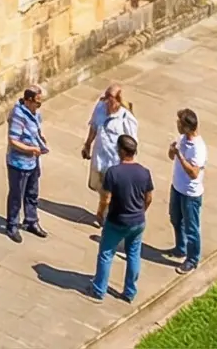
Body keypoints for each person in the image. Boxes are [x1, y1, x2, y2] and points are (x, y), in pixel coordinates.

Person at [90, 133, 153, 302]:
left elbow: (106, 198)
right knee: (133, 254)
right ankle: (130, 292)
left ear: (122, 151)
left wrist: (100, 213)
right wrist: (141, 211)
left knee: (106, 254)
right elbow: (149, 198)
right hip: (138, 221)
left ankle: (99, 289)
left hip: (117, 221)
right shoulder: (144, 172)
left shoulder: (113, 172)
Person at [80, 84, 139, 221]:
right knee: (100, 189)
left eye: (110, 97)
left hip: (114, 162)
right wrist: (87, 145)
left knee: (108, 194)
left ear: (118, 100)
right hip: (99, 157)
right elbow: (94, 127)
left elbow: (132, 143)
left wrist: (128, 164)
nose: (106, 100)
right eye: (106, 96)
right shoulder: (100, 108)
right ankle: (105, 212)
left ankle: (102, 216)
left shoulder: (126, 118)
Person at [4, 85, 49, 239]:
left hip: (32, 161)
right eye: (38, 102)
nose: (39, 105)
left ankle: (31, 221)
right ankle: (12, 225)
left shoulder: (34, 112)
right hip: (19, 163)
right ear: (29, 100)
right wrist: (31, 149)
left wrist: (40, 137)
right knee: (16, 195)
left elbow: (36, 127)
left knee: (32, 193)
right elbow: (13, 141)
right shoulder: (18, 115)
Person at [168, 107, 207, 271]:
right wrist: (172, 151)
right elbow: (171, 156)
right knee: (175, 219)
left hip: (190, 194)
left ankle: (192, 259)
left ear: (187, 127)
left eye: (179, 123)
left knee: (191, 228)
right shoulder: (182, 138)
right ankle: (180, 248)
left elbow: (193, 173)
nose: (177, 125)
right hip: (177, 187)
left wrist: (180, 155)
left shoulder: (198, 148)